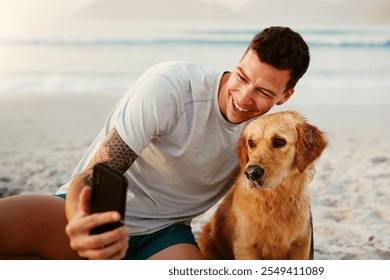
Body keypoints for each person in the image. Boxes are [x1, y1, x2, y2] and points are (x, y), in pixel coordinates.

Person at [0, 26, 310, 260]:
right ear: (239, 61)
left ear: (285, 96)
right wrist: (80, 219)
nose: (243, 98)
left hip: (164, 237)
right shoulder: (171, 88)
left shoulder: (264, 135)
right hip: (93, 211)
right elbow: (97, 172)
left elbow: (292, 189)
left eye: (264, 93)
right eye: (241, 77)